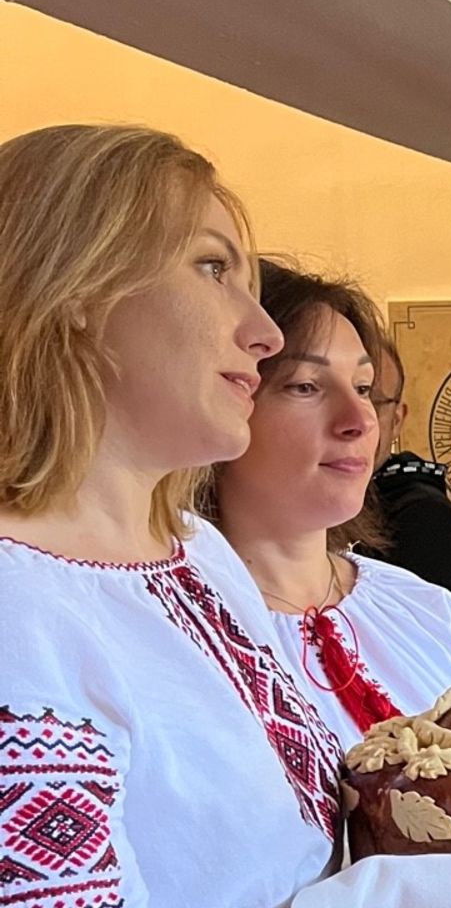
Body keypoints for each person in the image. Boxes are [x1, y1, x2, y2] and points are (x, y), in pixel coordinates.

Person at [0, 125, 343, 905]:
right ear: (79, 286)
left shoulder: (198, 553)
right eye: (212, 267)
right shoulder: (17, 611)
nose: (265, 334)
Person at [211, 259, 451, 750]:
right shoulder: (179, 628)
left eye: (363, 388)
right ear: (225, 401)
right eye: (305, 387)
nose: (358, 419)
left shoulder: (422, 609)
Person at [365, 336, 451, 611]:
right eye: (310, 390)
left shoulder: (424, 519)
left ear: (397, 420)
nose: (356, 418)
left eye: (371, 398)